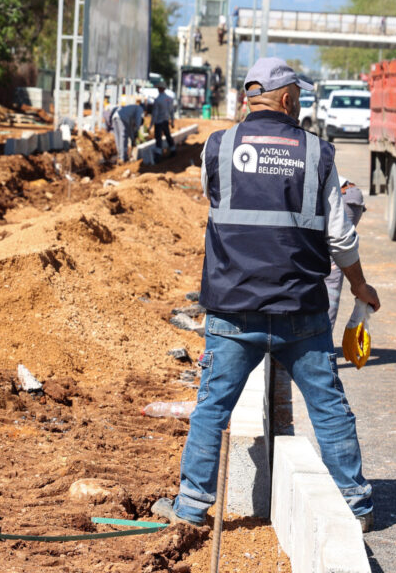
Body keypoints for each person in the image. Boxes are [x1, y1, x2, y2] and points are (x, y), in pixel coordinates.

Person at [152, 56, 381, 533]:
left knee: (212, 407)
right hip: (301, 309)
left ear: (248, 98)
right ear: (289, 99)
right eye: (299, 100)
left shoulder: (217, 147)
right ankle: (356, 507)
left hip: (234, 309)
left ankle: (191, 509)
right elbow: (340, 237)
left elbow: (216, 203)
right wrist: (359, 285)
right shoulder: (318, 153)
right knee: (329, 406)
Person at [326, 177, 366, 329]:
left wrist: (359, 284)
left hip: (344, 196)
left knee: (332, 266)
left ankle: (325, 339)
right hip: (338, 193)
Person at [114, 98, 143, 162]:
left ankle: (120, 155)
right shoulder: (139, 109)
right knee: (123, 137)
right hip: (121, 117)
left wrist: (133, 139)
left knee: (118, 136)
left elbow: (130, 130)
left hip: (115, 116)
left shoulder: (131, 113)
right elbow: (138, 121)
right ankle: (123, 157)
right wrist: (137, 129)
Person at [152, 82, 175, 152]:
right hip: (165, 121)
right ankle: (173, 150)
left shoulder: (158, 99)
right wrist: (172, 122)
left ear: (160, 89)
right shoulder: (169, 99)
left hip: (158, 122)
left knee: (158, 138)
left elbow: (155, 114)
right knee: (168, 135)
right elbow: (172, 111)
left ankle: (158, 154)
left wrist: (151, 125)